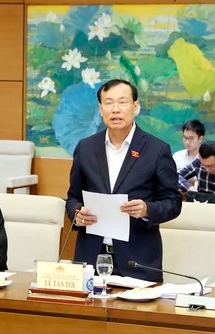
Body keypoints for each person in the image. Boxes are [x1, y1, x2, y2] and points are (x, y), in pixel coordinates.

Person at [66, 79, 182, 281]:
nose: (115, 109)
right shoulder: (85, 148)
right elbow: (73, 197)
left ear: (135, 107)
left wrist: (147, 209)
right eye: (108, 103)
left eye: (122, 102)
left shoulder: (157, 150)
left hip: (138, 261)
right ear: (100, 109)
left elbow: (173, 202)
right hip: (91, 259)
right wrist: (77, 214)